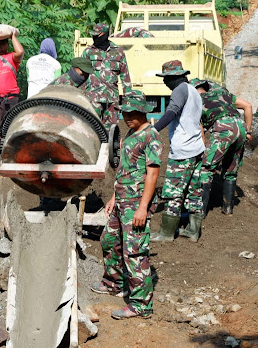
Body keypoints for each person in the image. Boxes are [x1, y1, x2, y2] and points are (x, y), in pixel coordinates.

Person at [91, 90, 162, 319]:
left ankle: (141, 304)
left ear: (142, 112)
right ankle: (114, 283)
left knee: (135, 252)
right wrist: (113, 196)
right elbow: (123, 170)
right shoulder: (130, 133)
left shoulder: (151, 136)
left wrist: (143, 208)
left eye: (132, 113)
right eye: (125, 113)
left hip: (135, 203)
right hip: (121, 199)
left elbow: (152, 174)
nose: (127, 117)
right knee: (109, 240)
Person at [150, 60, 205, 243]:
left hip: (183, 150)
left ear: (174, 77)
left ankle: (166, 234)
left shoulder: (179, 90)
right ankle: (193, 231)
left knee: (174, 192)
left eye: (166, 79)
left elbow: (171, 112)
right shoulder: (193, 91)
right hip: (196, 148)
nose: (165, 82)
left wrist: (154, 130)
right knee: (193, 191)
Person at [186, 79, 253, 219]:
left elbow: (200, 131)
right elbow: (248, 106)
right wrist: (248, 131)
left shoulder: (196, 100)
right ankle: (227, 208)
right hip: (240, 126)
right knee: (230, 170)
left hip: (223, 128)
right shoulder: (222, 93)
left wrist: (203, 152)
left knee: (206, 169)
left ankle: (200, 212)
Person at [81, 23, 132, 131]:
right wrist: (81, 98)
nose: (94, 38)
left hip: (112, 100)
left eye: (97, 35)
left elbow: (125, 77)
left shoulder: (118, 52)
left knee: (111, 132)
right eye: (93, 35)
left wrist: (127, 100)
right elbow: (82, 75)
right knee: (92, 129)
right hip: (93, 100)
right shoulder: (88, 52)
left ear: (105, 35)